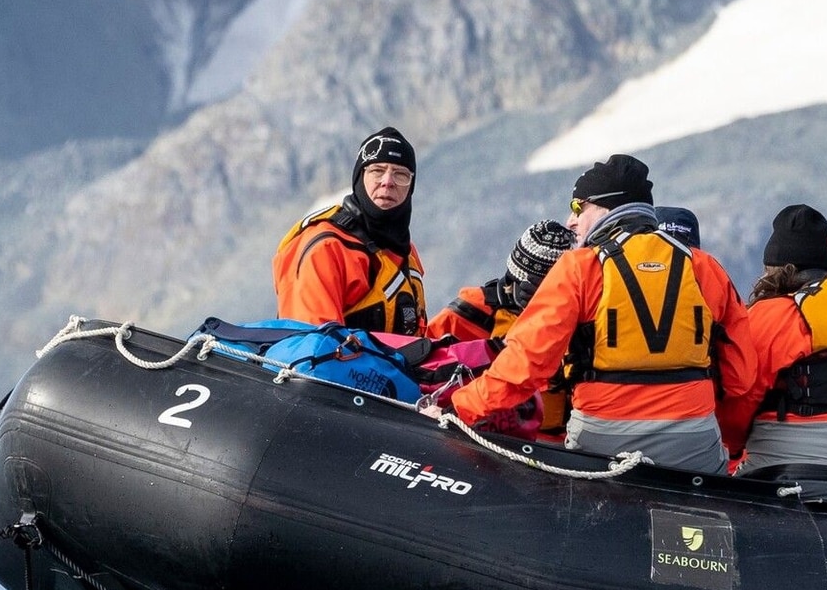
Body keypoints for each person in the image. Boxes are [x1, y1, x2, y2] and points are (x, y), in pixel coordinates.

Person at [445, 154, 740, 475]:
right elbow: (742, 376)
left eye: (578, 208)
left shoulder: (580, 267)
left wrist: (461, 407)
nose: (572, 221)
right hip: (693, 438)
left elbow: (525, 363)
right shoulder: (704, 267)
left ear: (606, 208)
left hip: (603, 438)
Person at [719, 204, 827, 498]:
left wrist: (731, 446)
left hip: (786, 476)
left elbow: (739, 403)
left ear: (772, 269)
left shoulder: (767, 316)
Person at [272, 127, 450, 340]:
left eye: (401, 174)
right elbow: (312, 348)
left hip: (395, 371)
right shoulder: (326, 247)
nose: (388, 181)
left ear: (411, 186)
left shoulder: (406, 252)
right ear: (359, 177)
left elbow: (416, 340)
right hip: (329, 369)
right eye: (377, 170)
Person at [424, 219, 576, 431]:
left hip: (555, 441)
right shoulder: (472, 312)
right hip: (472, 431)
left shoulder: (577, 323)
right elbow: (425, 364)